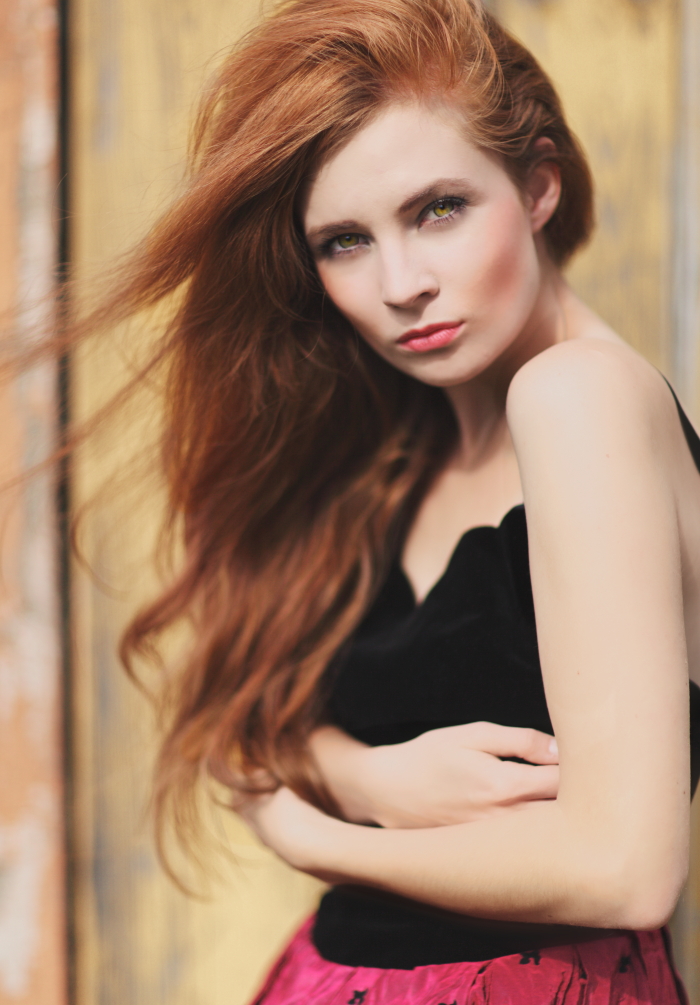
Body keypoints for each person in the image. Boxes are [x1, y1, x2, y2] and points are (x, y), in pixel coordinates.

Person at [80, 0, 700, 1000]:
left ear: (538, 184)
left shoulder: (577, 396)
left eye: (438, 209)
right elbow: (249, 714)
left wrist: (312, 833)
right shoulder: (395, 442)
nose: (400, 283)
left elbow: (624, 870)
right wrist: (372, 778)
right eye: (343, 242)